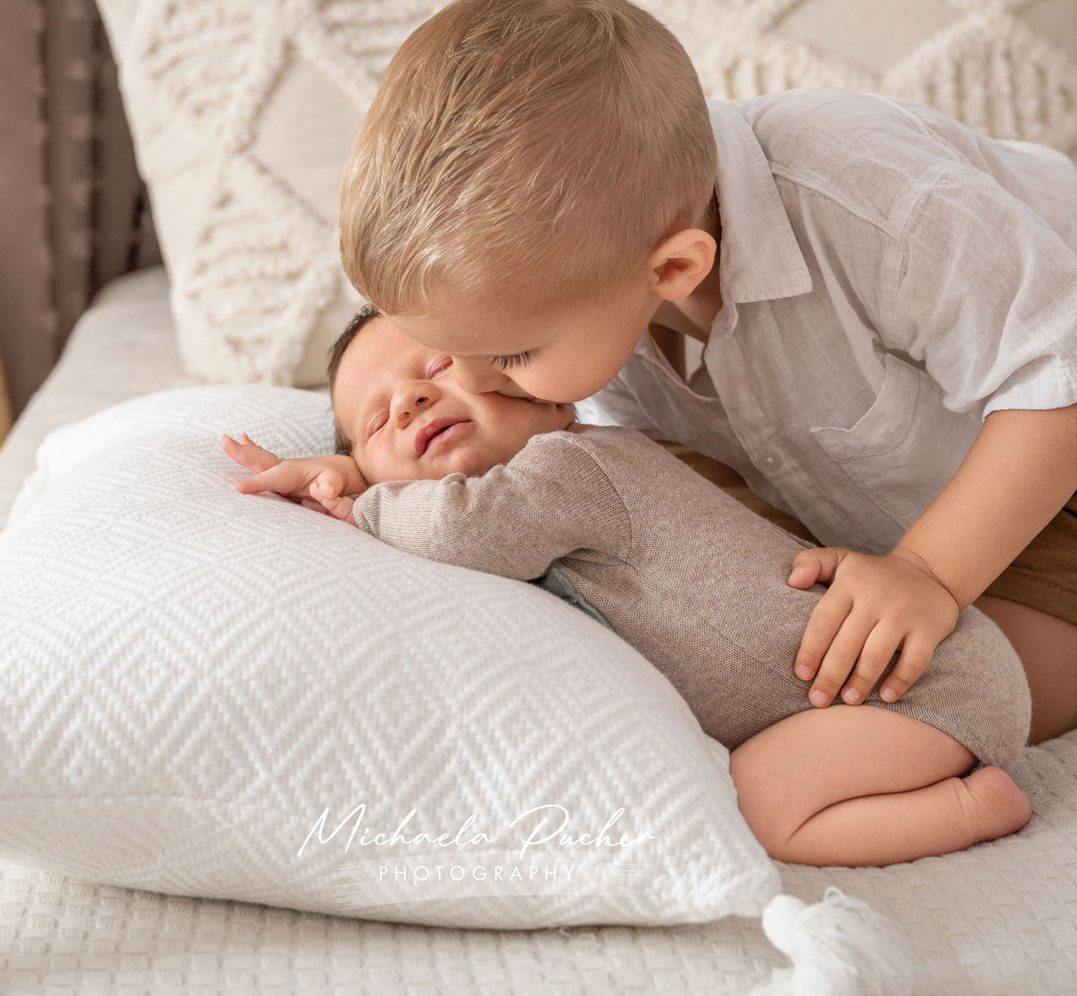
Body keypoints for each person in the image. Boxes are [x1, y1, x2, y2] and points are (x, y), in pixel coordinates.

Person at [331, 0, 1077, 746]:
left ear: (675, 270)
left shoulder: (865, 193)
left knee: (958, 703)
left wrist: (929, 572)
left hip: (1044, 459)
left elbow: (1057, 376)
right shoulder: (585, 279)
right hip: (885, 518)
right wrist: (369, 472)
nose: (475, 380)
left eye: (509, 354)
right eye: (443, 357)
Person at [219, 308, 1034, 868]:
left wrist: (355, 496)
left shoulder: (572, 466)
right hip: (878, 680)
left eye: (434, 365)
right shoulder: (551, 480)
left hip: (915, 683)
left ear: (540, 384)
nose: (410, 398)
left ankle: (971, 809)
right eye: (374, 422)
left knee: (754, 805)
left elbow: (460, 529)